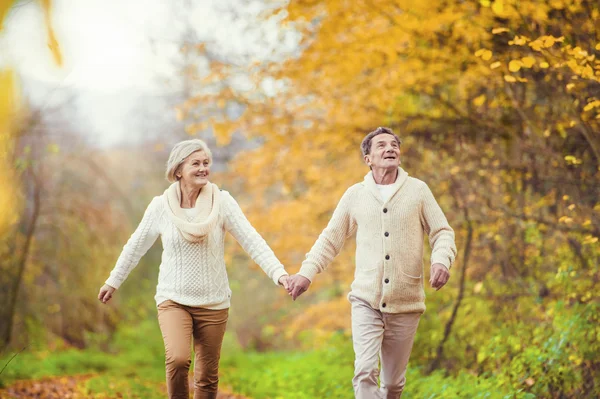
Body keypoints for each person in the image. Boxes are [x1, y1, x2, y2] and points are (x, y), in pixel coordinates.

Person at [98, 139, 289, 399]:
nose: (203, 168)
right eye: (196, 163)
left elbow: (251, 240)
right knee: (177, 359)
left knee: (207, 377)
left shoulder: (222, 203)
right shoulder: (160, 207)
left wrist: (279, 274)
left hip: (214, 302)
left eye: (206, 163)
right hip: (173, 299)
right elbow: (134, 247)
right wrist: (113, 281)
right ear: (178, 170)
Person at [287, 127, 457, 398]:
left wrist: (441, 261)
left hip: (406, 302)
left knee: (392, 385)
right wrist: (306, 274)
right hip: (366, 300)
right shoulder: (355, 195)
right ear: (368, 159)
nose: (390, 149)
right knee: (365, 370)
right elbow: (331, 238)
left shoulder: (418, 191)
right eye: (381, 146)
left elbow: (442, 231)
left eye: (393, 145)